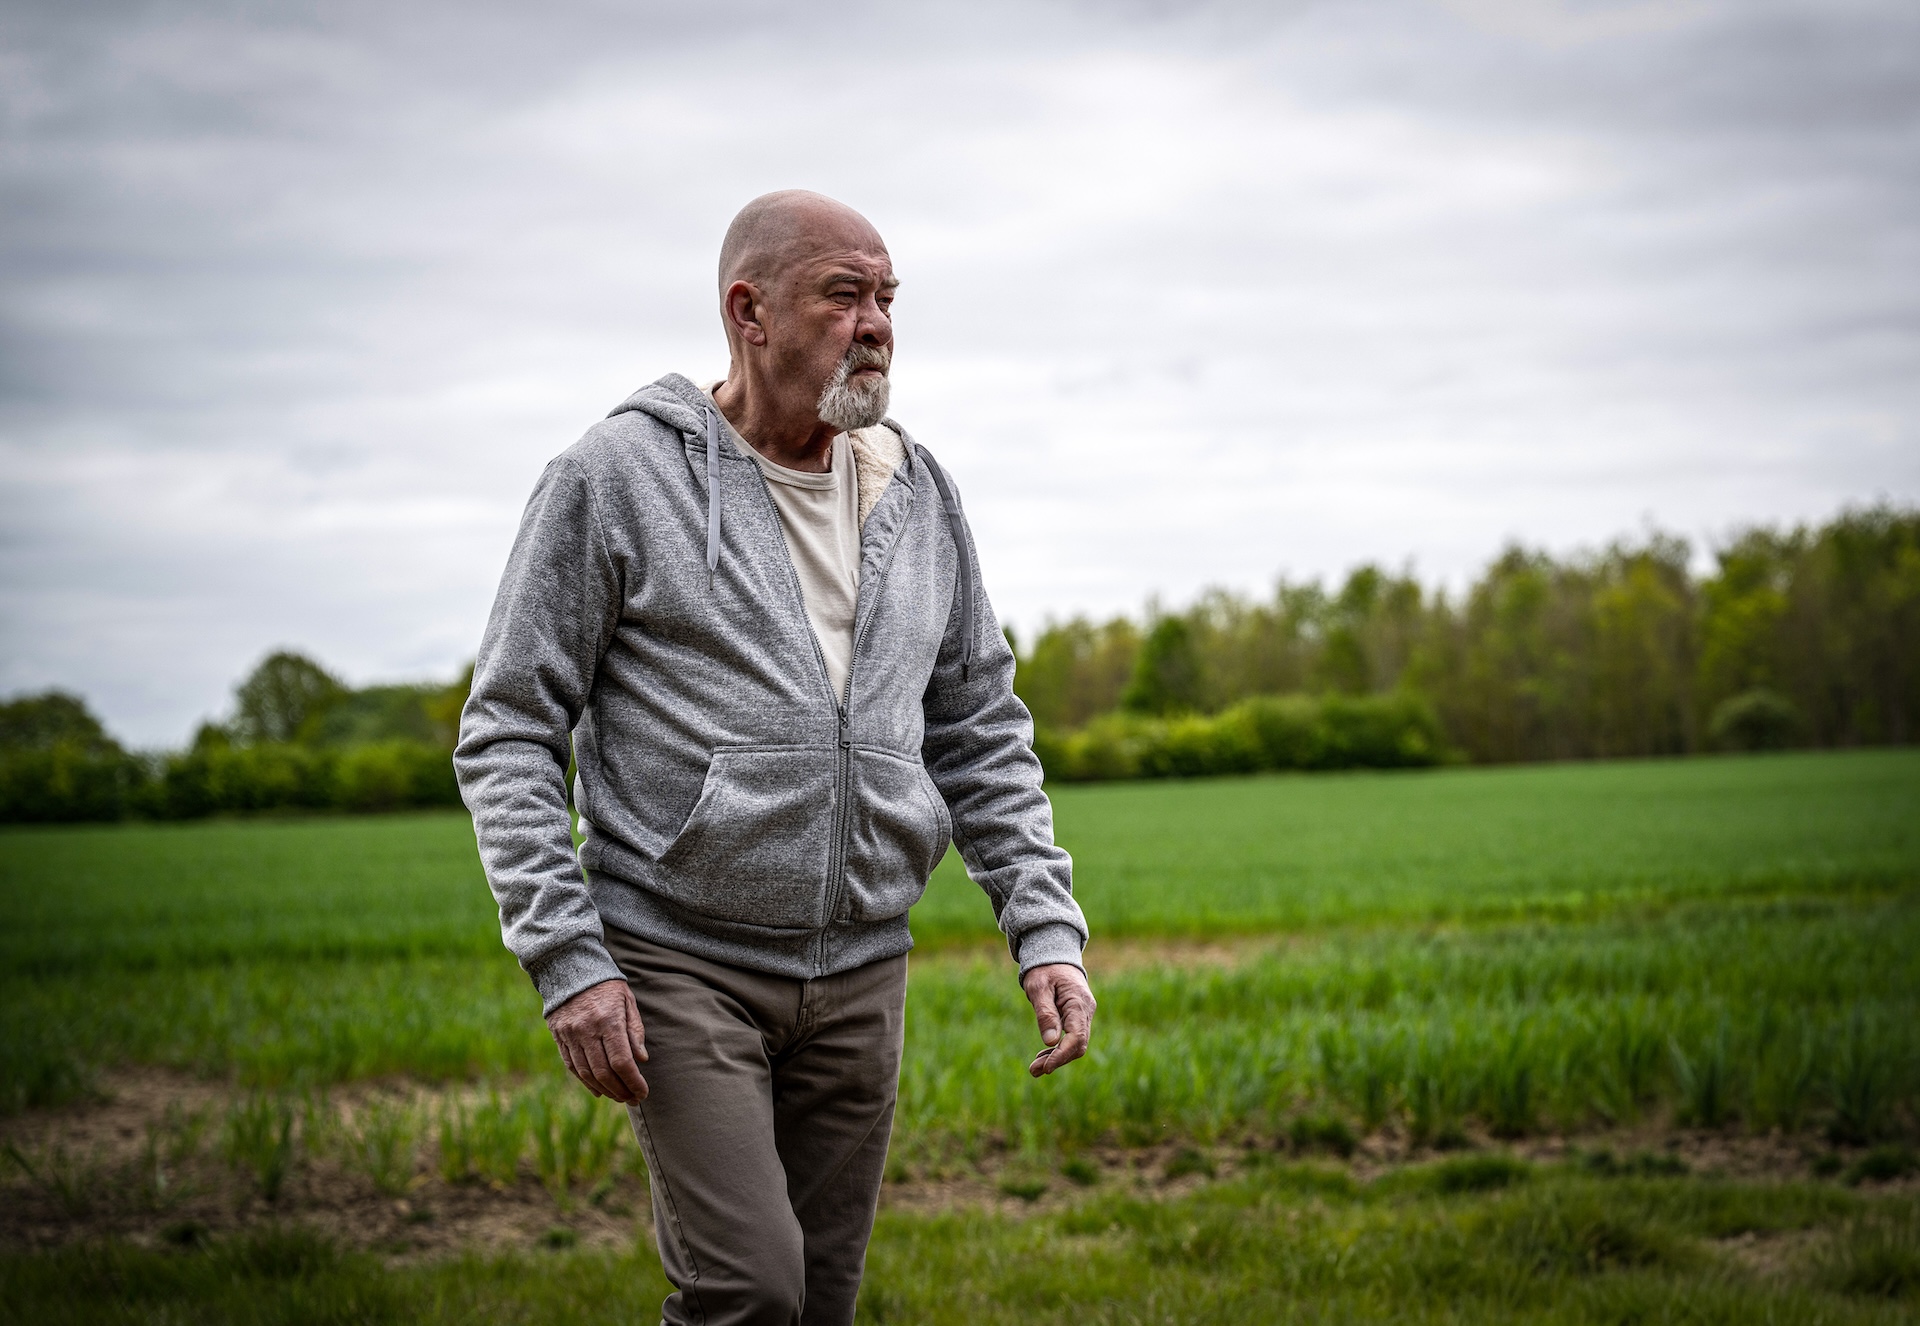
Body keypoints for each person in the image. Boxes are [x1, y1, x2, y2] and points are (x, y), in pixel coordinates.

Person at [454, 190, 1095, 1325]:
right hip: (680, 962)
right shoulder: (616, 479)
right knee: (749, 1292)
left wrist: (1043, 927)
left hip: (862, 972)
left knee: (821, 1302)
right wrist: (568, 959)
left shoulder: (920, 491)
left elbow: (980, 724)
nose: (878, 323)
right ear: (747, 312)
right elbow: (509, 726)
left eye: (888, 297)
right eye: (844, 294)